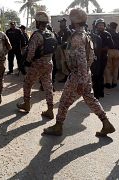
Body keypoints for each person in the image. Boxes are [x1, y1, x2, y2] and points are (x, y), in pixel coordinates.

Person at [43, 8, 115, 137]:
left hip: (78, 74)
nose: (70, 22)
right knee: (90, 99)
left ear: (75, 21)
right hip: (85, 73)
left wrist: (81, 80)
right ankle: (106, 123)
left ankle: (58, 126)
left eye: (71, 20)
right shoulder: (85, 34)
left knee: (65, 100)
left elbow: (81, 59)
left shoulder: (77, 37)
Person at [17, 11, 56, 119]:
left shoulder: (37, 35)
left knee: (27, 84)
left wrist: (27, 63)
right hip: (48, 63)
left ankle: (26, 105)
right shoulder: (51, 33)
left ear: (38, 22)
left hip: (37, 65)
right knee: (48, 86)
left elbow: (31, 51)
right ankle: (50, 109)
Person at [94, 18, 114, 99]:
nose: (100, 26)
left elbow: (112, 45)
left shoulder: (106, 34)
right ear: (96, 26)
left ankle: (98, 93)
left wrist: (103, 49)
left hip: (102, 57)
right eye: (99, 25)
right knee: (95, 75)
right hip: (95, 57)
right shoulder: (94, 34)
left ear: (104, 26)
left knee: (99, 75)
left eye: (102, 25)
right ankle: (98, 92)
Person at [105, 22, 119, 88]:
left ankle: (108, 83)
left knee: (108, 67)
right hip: (117, 52)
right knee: (116, 68)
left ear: (110, 26)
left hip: (109, 51)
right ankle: (114, 82)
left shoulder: (108, 34)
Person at [57, 18, 72, 83]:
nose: (60, 24)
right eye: (60, 22)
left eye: (61, 22)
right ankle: (66, 77)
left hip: (66, 50)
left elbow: (69, 41)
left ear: (65, 23)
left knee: (67, 63)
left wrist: (64, 46)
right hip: (63, 49)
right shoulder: (62, 30)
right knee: (63, 63)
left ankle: (69, 78)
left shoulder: (67, 31)